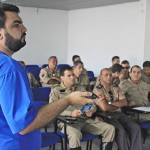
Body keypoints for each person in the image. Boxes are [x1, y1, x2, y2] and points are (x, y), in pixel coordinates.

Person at [0, 3, 95, 150]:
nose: (24, 29)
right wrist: (68, 100)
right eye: (16, 24)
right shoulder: (10, 68)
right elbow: (25, 125)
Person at [49, 66, 115, 150]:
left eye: (73, 75)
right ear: (62, 78)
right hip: (67, 121)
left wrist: (91, 110)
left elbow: (93, 103)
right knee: (74, 134)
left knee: (109, 129)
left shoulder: (81, 89)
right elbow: (52, 110)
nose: (72, 77)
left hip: (84, 119)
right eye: (69, 76)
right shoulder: (56, 91)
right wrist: (71, 113)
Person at [93, 68, 143, 150]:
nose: (109, 77)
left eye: (110, 74)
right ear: (100, 77)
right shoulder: (97, 90)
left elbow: (124, 102)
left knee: (135, 127)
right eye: (106, 75)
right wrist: (117, 104)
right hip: (106, 116)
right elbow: (104, 108)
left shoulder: (116, 87)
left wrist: (109, 103)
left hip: (119, 114)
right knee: (121, 131)